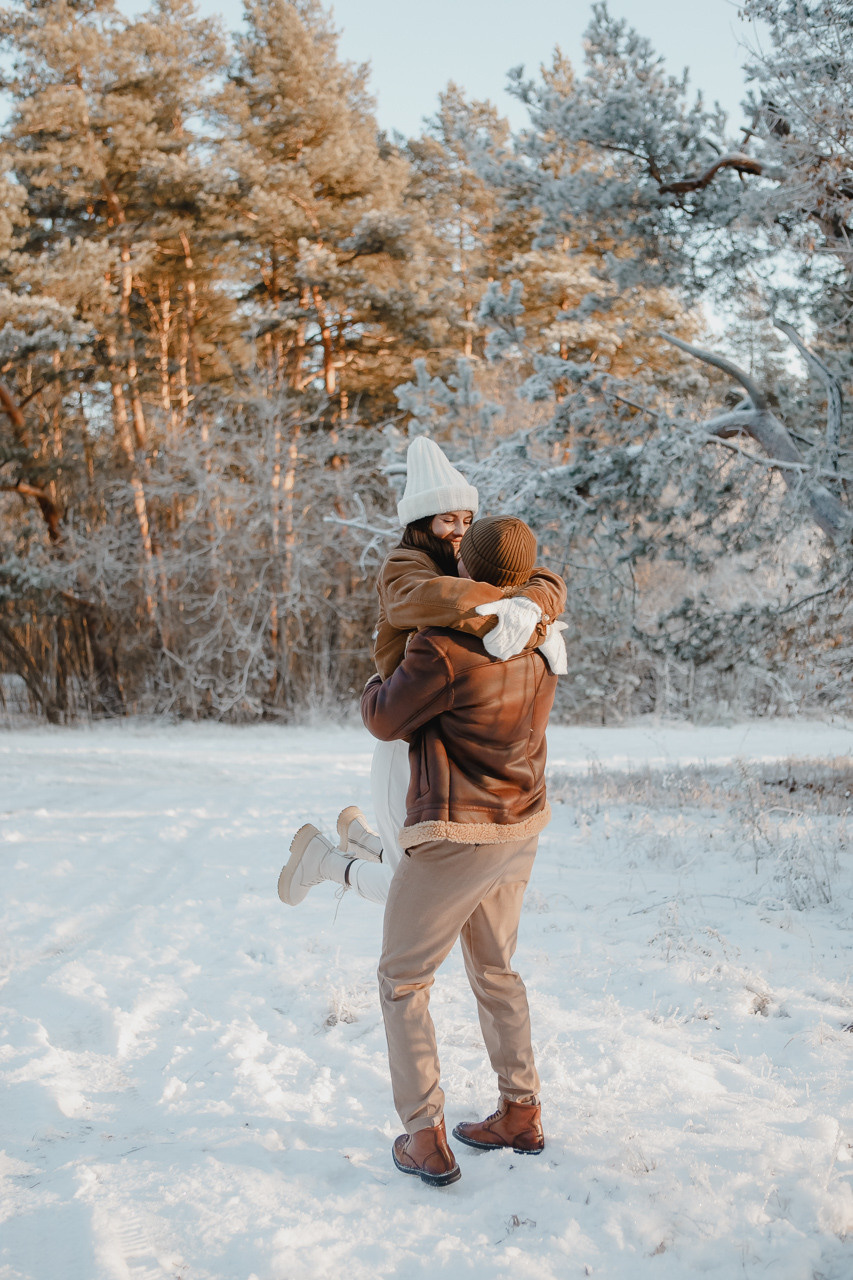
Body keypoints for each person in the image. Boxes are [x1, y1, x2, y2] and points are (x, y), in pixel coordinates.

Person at [278, 436, 567, 908]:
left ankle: (363, 842)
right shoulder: (404, 567)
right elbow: (434, 600)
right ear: (422, 521)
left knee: (417, 866)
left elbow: (546, 577)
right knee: (409, 893)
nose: (457, 529)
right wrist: (514, 611)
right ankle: (325, 862)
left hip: (445, 735)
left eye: (466, 520)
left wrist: (531, 602)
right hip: (404, 728)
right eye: (446, 519)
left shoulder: (468, 561)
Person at [361, 516, 560, 1187]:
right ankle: (520, 1110)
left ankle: (423, 1136)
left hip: (457, 834)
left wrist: (373, 678)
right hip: (520, 826)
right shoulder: (542, 635)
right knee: (496, 970)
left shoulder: (442, 649)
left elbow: (385, 717)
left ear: (466, 573)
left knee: (401, 979)